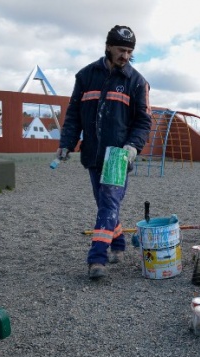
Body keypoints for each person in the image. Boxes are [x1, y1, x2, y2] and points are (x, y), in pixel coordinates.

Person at [55, 25, 152, 279]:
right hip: (92, 154)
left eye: (130, 51)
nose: (125, 56)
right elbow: (74, 114)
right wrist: (66, 143)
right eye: (121, 50)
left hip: (118, 156)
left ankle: (97, 259)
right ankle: (118, 244)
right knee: (104, 205)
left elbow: (143, 121)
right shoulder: (85, 76)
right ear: (108, 46)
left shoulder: (137, 82)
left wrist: (133, 146)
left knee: (108, 205)